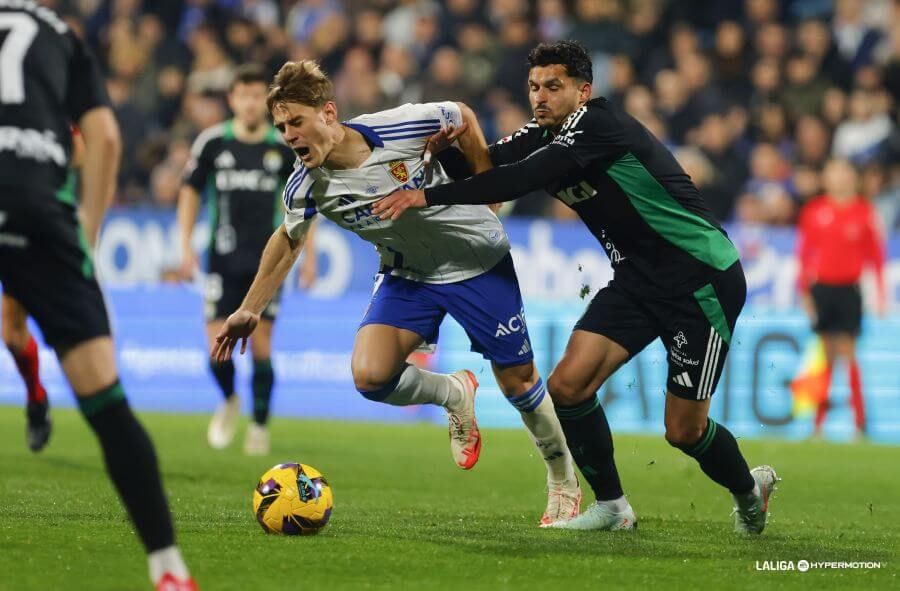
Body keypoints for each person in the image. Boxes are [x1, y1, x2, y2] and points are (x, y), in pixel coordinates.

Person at [374, 41, 777, 534]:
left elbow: (515, 180)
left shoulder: (596, 126)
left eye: (553, 87)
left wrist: (425, 196)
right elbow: (487, 164)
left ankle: (749, 491)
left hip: (701, 278)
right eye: (534, 87)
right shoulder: (544, 132)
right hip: (637, 280)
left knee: (683, 430)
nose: (540, 97)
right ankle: (612, 506)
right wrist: (436, 152)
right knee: (567, 387)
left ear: (583, 91)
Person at [212, 60, 581, 526]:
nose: (289, 135)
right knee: (370, 376)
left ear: (328, 113)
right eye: (282, 126)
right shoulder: (306, 184)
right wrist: (250, 308)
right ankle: (453, 393)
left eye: (296, 122)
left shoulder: (400, 127)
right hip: (407, 273)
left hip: (474, 261)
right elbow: (288, 238)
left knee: (518, 381)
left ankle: (563, 481)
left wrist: (486, 185)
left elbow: (463, 116)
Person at [0, 4, 196, 589]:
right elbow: (104, 137)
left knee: (12, 326)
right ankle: (168, 569)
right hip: (38, 212)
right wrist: (83, 237)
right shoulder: (61, 35)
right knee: (104, 401)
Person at [178, 64, 297, 455]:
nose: (248, 104)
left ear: (265, 102)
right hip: (221, 260)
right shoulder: (212, 143)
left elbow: (300, 204)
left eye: (255, 96)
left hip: (266, 264)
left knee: (261, 347)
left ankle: (259, 426)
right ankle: (229, 399)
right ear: (232, 99)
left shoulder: (282, 148)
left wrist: (307, 257)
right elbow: (190, 192)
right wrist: (184, 243)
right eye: (241, 95)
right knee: (216, 349)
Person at [0, 127, 83, 453]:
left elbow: (80, 148)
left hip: (37, 225)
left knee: (21, 333)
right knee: (11, 332)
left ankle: (40, 398)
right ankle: (37, 397)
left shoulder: (44, 97)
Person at [796, 158, 886, 440]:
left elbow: (877, 257)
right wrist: (804, 291)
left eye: (844, 172)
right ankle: (818, 424)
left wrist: (882, 294)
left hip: (850, 290)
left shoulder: (865, 212)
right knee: (825, 356)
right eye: (833, 172)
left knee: (848, 354)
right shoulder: (814, 210)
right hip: (823, 289)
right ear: (826, 177)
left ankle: (859, 424)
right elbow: (804, 254)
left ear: (853, 178)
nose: (839, 178)